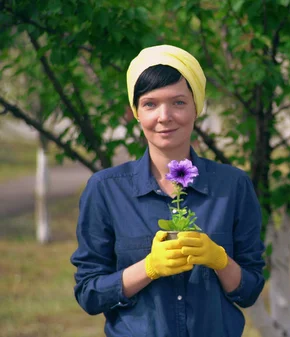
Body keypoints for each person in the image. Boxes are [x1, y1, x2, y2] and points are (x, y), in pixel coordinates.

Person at [70, 45, 265, 337]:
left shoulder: (233, 186)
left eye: (178, 102)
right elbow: (89, 294)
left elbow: (250, 290)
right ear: (135, 112)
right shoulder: (105, 190)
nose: (165, 116)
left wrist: (220, 260)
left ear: (197, 107)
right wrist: (148, 268)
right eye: (150, 104)